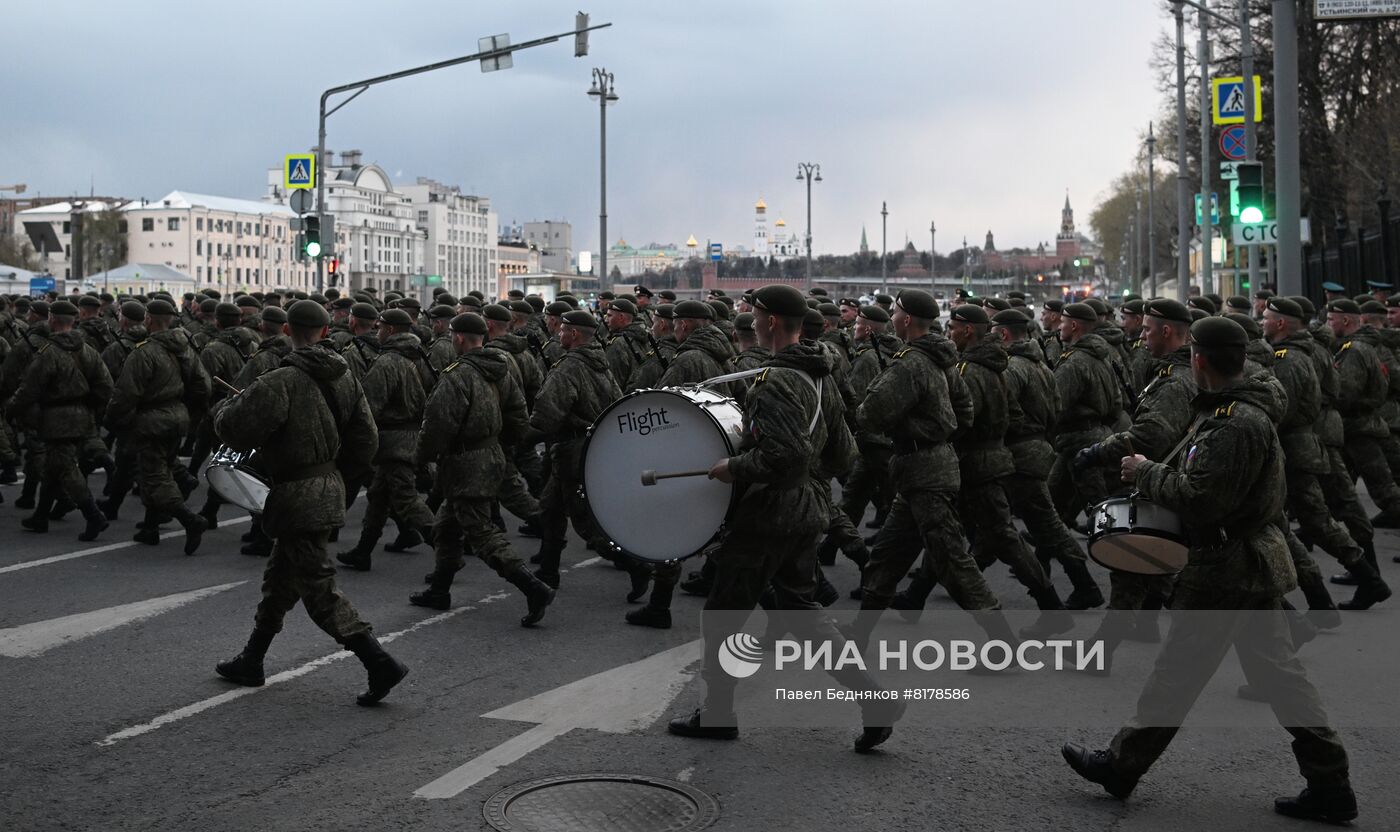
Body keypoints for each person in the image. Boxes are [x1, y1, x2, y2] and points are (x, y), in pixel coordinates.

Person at [1062, 316, 1359, 825]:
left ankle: (1121, 765)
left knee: (1177, 673)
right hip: (1245, 563)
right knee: (1282, 680)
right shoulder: (1231, 412)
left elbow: (1204, 499)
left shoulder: (1236, 423)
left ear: (1199, 358)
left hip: (1228, 566)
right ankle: (1331, 783)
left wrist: (1146, 472)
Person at [668, 284, 901, 752]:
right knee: (802, 610)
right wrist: (805, 477)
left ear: (771, 322)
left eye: (755, 314)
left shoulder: (772, 380)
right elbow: (843, 453)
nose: (750, 320)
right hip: (808, 509)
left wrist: (733, 467)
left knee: (723, 615)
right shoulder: (820, 376)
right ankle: (875, 699)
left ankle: (717, 716)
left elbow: (785, 457)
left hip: (769, 513)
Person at [213, 300, 408, 706]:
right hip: (328, 485)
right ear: (325, 332)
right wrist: (340, 477)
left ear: (286, 331)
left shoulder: (278, 380)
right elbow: (366, 440)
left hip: (296, 494)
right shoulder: (346, 376)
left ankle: (378, 661)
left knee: (320, 591)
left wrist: (227, 406)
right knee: (281, 579)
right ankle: (252, 658)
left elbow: (235, 431)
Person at [409, 313, 556, 625]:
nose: (450, 338)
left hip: (465, 464)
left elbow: (436, 425)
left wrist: (421, 457)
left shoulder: (456, 376)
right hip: (491, 454)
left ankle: (533, 587)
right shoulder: (500, 370)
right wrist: (506, 445)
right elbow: (519, 413)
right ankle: (439, 589)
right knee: (447, 528)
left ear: (460, 338)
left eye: (452, 334)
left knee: (481, 534)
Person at [991, 308, 1103, 609]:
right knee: (1029, 523)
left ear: (1002, 334)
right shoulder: (1039, 364)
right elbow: (1056, 410)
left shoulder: (1013, 368)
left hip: (1021, 455)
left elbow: (1002, 412)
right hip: (1038, 449)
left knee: (1042, 525)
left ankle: (1078, 585)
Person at [104, 299, 211, 553]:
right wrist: (190, 412)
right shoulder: (184, 347)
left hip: (152, 421)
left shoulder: (144, 352)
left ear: (149, 320)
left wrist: (112, 421)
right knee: (161, 466)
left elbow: (126, 394)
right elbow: (203, 385)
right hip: (177, 416)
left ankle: (190, 519)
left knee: (153, 476)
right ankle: (150, 528)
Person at [336, 308, 437, 571]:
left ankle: (446, 546)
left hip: (394, 442)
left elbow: (369, 405)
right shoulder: (420, 355)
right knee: (378, 495)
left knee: (405, 498)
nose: (376, 331)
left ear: (390, 330)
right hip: (411, 435)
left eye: (380, 327)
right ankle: (363, 550)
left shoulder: (388, 361)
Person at [8, 300, 113, 541]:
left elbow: (29, 390)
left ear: (52, 320)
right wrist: (89, 406)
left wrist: (11, 410)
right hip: (82, 416)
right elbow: (106, 386)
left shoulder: (48, 354)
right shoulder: (88, 351)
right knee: (53, 468)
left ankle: (93, 515)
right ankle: (41, 516)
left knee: (66, 469)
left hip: (56, 420)